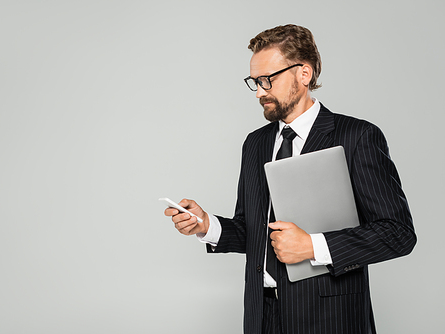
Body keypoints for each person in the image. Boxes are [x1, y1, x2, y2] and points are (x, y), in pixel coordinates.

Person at [164, 24, 416, 334]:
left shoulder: (357, 136)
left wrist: (313, 246)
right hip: (263, 316)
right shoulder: (255, 143)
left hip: (330, 318)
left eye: (268, 80)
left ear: (304, 74)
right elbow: (254, 232)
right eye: (255, 82)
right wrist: (208, 225)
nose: (260, 91)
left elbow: (398, 233)